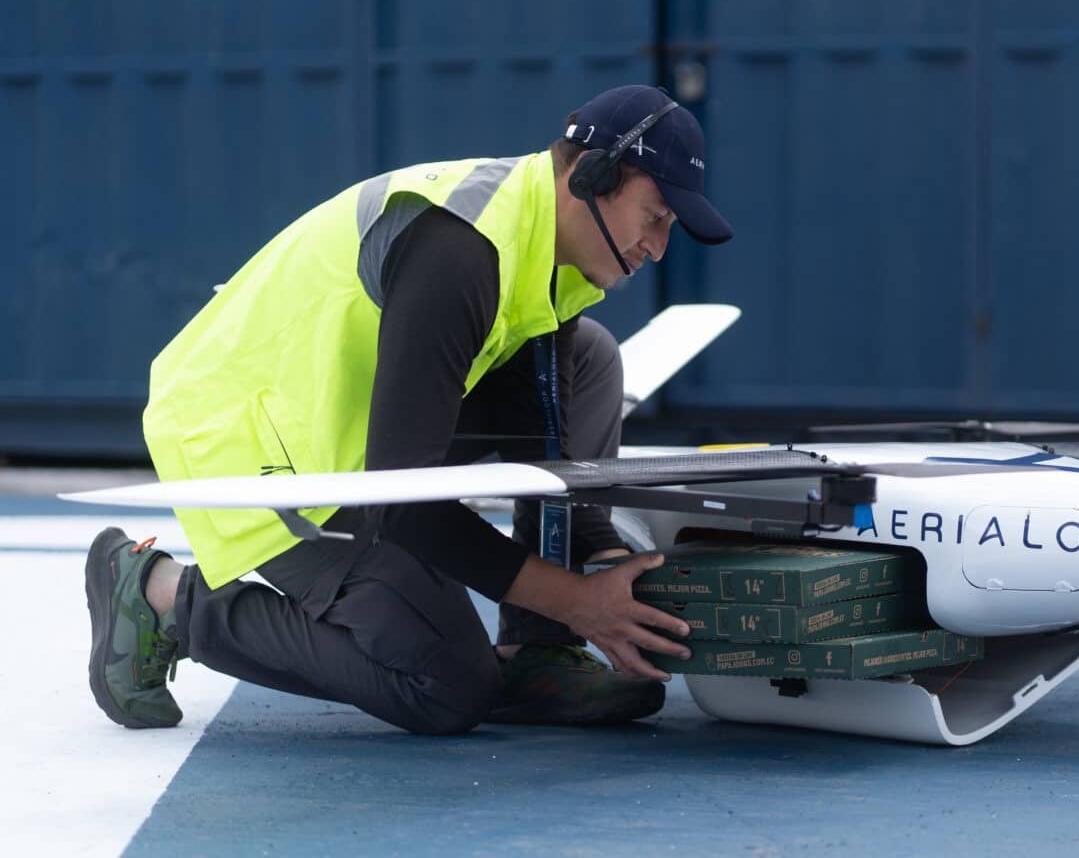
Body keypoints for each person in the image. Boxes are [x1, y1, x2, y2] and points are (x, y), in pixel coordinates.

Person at [83, 85, 733, 734]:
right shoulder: (460, 251)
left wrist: (607, 566)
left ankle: (537, 651)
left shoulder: (555, 246)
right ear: (591, 177)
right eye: (654, 216)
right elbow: (405, 502)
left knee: (589, 358)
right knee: (447, 688)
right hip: (256, 446)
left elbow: (551, 419)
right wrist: (577, 602)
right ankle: (161, 594)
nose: (657, 249)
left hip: (360, 427)